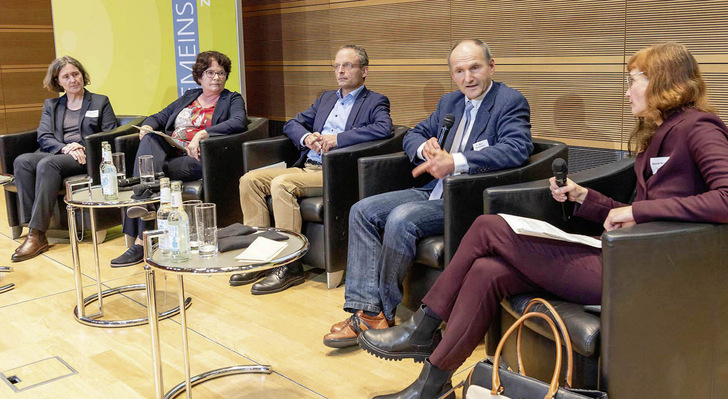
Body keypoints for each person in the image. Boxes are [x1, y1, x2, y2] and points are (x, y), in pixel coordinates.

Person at [358, 42, 728, 399]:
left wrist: (637, 211)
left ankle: (423, 328)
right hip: (629, 255)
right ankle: (430, 385)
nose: (627, 92)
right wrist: (587, 199)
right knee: (488, 270)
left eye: (634, 80)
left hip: (646, 272)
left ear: (663, 82)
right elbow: (639, 213)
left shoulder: (699, 128)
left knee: (488, 226)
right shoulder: (662, 134)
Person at [323, 39, 533, 348]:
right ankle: (367, 310)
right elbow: (413, 134)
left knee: (402, 218)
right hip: (431, 191)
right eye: (459, 71)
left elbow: (516, 149)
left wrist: (456, 162)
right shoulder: (450, 103)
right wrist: (425, 147)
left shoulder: (509, 101)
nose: (468, 78)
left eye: (475, 68)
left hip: (467, 198)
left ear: (491, 66)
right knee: (362, 210)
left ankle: (382, 311)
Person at [230, 44, 393, 294]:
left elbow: (384, 129)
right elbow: (293, 123)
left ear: (364, 71)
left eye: (347, 65)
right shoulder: (326, 98)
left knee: (281, 184)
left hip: (335, 172)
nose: (340, 71)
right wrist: (306, 138)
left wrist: (338, 139)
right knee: (249, 180)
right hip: (307, 166)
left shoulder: (374, 101)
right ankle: (262, 257)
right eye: (336, 66)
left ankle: (289, 264)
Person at [111, 50, 247, 267]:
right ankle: (144, 202)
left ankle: (140, 237)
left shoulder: (231, 99)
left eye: (221, 73)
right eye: (210, 72)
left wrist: (204, 134)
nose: (216, 77)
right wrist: (147, 126)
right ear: (199, 76)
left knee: (151, 178)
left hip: (200, 159)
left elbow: (239, 122)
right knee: (149, 140)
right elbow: (159, 116)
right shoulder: (189, 96)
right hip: (171, 157)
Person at [12, 56, 118, 262]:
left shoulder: (100, 101)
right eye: (66, 76)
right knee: (22, 161)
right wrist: (65, 147)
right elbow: (43, 136)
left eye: (75, 74)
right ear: (58, 81)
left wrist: (82, 147)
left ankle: (37, 235)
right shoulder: (52, 105)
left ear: (82, 75)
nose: (72, 80)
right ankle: (30, 226)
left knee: (47, 164)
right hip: (62, 152)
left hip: (86, 156)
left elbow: (109, 135)